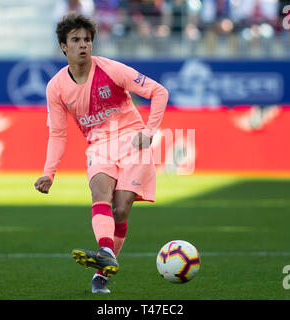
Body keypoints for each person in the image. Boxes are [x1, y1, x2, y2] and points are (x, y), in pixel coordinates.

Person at [34, 13, 168, 294]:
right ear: (63, 46)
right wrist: (49, 172)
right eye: (76, 40)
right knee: (100, 194)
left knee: (120, 211)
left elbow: (159, 92)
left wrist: (150, 131)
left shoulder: (111, 69)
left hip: (132, 141)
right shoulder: (56, 87)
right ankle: (105, 257)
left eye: (87, 39)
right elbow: (58, 133)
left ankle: (101, 273)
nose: (83, 44)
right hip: (98, 146)